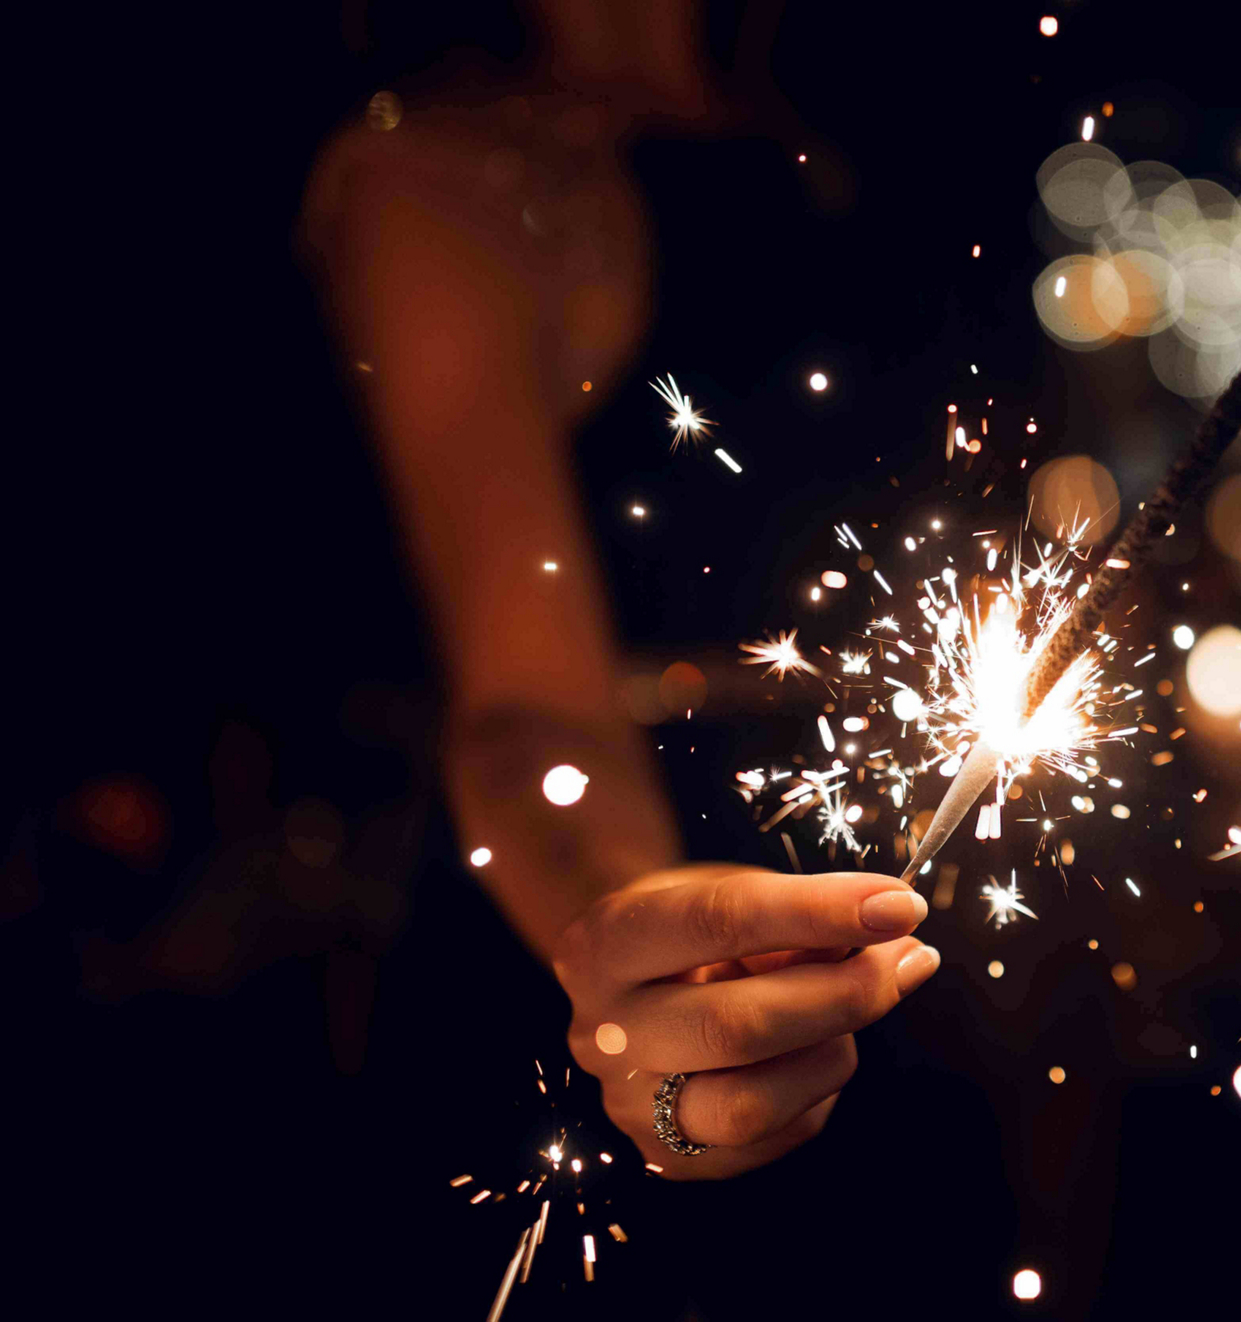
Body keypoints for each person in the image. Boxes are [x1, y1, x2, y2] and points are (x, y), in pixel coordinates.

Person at [300, 0, 937, 1178]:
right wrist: (649, 957)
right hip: (596, 966)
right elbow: (523, 705)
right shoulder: (453, 177)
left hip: (910, 990)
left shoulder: (865, 144)